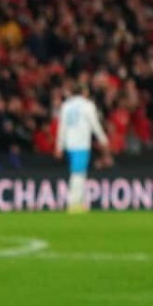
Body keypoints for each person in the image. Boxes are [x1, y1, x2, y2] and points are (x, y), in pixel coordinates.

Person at [54, 83, 110, 214]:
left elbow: (61, 127)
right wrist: (103, 140)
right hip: (81, 144)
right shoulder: (88, 105)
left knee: (80, 173)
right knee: (78, 174)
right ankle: (73, 203)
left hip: (69, 144)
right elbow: (95, 124)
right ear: (84, 92)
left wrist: (59, 146)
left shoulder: (66, 105)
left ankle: (80, 202)